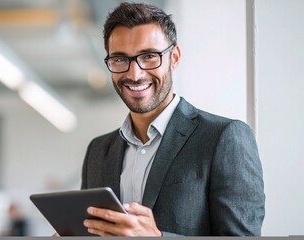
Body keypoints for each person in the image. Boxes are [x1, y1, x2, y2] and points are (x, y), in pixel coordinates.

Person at [79, 2, 265, 236]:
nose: (134, 74)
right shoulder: (98, 151)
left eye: (149, 56)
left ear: (174, 58)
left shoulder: (225, 138)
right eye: (119, 59)